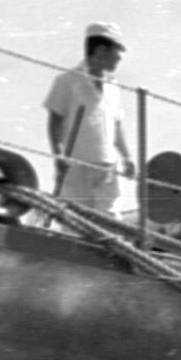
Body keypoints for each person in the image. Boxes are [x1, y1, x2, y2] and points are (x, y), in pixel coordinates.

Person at [42, 21, 134, 216]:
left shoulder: (112, 86)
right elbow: (55, 121)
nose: (119, 58)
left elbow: (116, 125)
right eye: (116, 51)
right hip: (76, 166)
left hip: (108, 167)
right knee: (75, 220)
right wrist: (58, 155)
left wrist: (127, 157)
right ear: (101, 50)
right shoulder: (67, 81)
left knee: (110, 221)